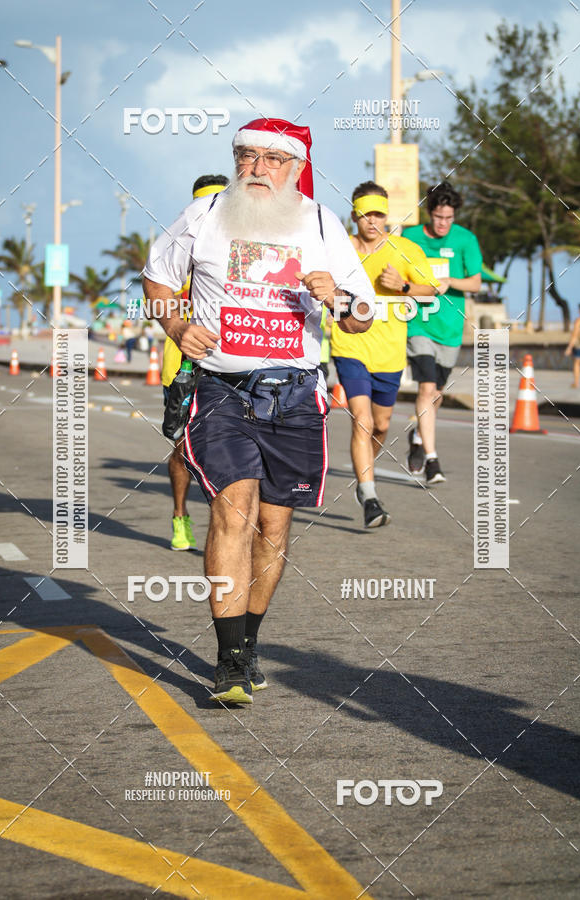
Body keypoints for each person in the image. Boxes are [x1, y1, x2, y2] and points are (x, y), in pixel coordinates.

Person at [143, 117, 374, 704]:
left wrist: (341, 298)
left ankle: (247, 643)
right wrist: (174, 325)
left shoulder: (321, 222)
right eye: (247, 156)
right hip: (222, 387)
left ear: (296, 169)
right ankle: (226, 662)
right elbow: (156, 279)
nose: (257, 169)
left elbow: (360, 315)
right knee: (233, 511)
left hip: (296, 391)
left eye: (272, 160)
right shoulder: (205, 214)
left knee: (274, 525)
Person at [330, 182, 441, 527]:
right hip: (349, 343)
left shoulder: (404, 249)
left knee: (380, 425)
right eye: (366, 214)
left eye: (379, 214)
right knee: (361, 419)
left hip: (390, 352)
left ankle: (366, 473)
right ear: (355, 216)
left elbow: (431, 289)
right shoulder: (340, 249)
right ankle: (370, 495)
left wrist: (404, 287)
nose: (373, 221)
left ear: (386, 216)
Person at [160, 175, 230, 551]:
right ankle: (179, 514)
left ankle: (227, 525)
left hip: (229, 363)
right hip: (182, 365)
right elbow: (157, 295)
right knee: (184, 450)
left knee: (228, 448)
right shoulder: (180, 243)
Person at [403, 181, 482, 485]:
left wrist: (450, 281)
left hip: (450, 328)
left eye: (449, 218)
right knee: (426, 389)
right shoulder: (410, 237)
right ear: (430, 213)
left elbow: (475, 283)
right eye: (438, 217)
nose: (443, 224)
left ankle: (419, 436)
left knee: (435, 392)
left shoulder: (466, 240)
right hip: (418, 323)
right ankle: (433, 461)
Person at [564, 304, 580, 388]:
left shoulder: (579, 321)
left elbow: (575, 335)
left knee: (577, 363)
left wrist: (569, 347)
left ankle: (576, 382)